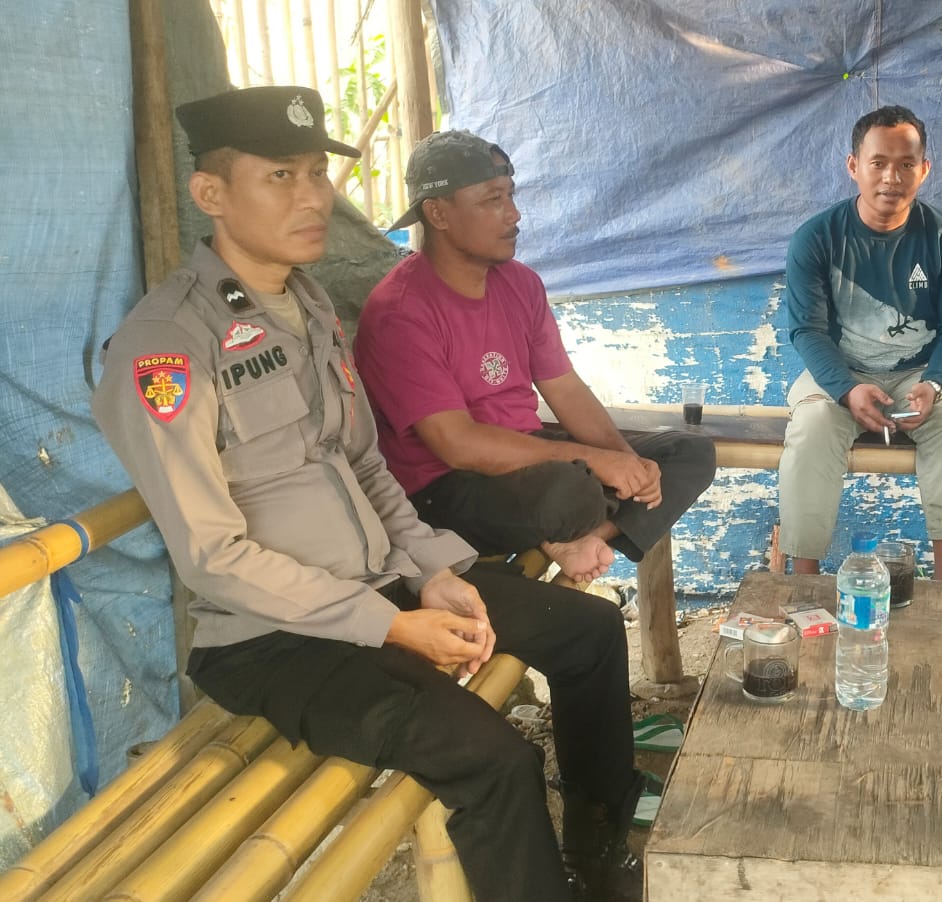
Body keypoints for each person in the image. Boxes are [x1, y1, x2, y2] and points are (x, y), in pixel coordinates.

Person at [91, 87, 644, 902]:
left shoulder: (308, 304)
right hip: (277, 638)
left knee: (589, 631)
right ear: (211, 194)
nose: (314, 197)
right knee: (495, 759)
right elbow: (212, 557)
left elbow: (365, 465)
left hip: (387, 580)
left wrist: (434, 571)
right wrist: (389, 623)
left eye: (318, 173)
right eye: (281, 176)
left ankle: (600, 852)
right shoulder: (166, 346)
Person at [354, 130, 716, 584]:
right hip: (445, 486)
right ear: (438, 213)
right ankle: (574, 529)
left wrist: (630, 465)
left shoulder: (520, 283)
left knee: (688, 452)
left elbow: (566, 389)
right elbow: (458, 444)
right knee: (571, 490)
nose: (514, 214)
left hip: (526, 454)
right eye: (492, 200)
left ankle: (588, 538)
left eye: (511, 194)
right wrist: (597, 463)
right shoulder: (400, 310)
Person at [778, 105, 942, 579]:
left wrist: (936, 384)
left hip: (919, 374)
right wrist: (846, 389)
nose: (892, 177)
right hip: (839, 373)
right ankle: (804, 584)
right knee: (810, 429)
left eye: (906, 164)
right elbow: (807, 330)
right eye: (878, 163)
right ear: (854, 166)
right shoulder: (816, 238)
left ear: (924, 170)